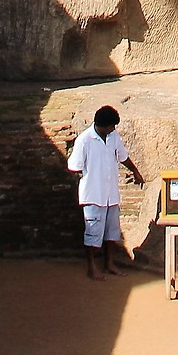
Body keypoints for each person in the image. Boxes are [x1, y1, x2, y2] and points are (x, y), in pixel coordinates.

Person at [66, 105, 144, 278]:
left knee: (112, 233)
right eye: (112, 126)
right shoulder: (84, 140)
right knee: (92, 233)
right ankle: (92, 266)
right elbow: (74, 166)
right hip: (93, 196)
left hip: (111, 195)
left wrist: (135, 171)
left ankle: (109, 264)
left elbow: (123, 157)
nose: (114, 129)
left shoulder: (113, 137)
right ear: (105, 125)